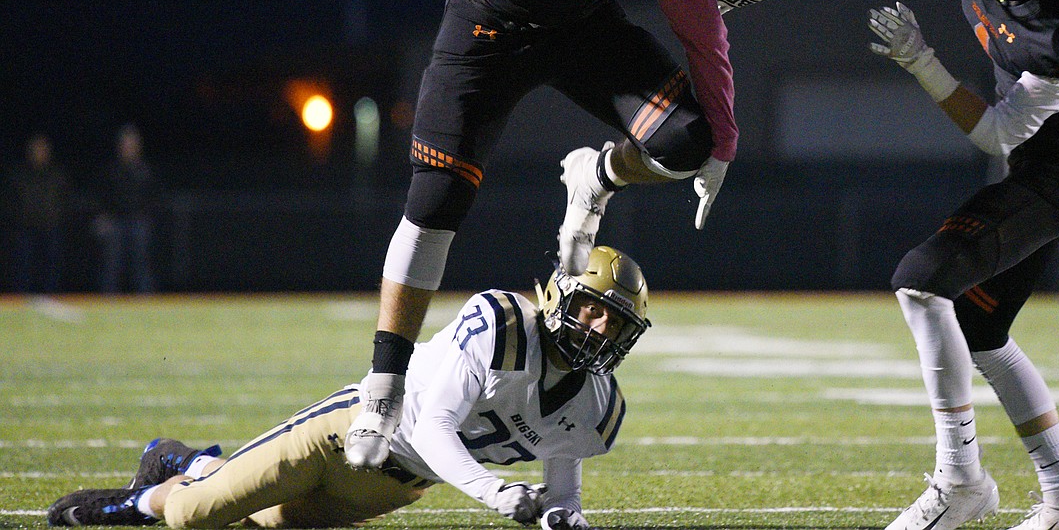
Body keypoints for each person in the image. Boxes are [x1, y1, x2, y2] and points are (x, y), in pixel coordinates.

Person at [714, 0, 1059, 530]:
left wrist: (922, 62)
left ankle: (960, 478)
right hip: (1035, 167)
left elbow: (998, 133)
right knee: (980, 327)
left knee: (921, 280)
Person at [347, 0, 735, 468]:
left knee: (686, 143)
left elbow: (697, 21)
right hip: (486, 26)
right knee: (436, 202)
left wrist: (726, 137)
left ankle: (598, 174)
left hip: (583, 33)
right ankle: (383, 387)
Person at [46, 245, 651, 529]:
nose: (600, 329)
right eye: (595, 310)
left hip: (397, 487)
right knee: (192, 516)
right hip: (347, 436)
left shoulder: (595, 408)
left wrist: (563, 519)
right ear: (561, 299)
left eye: (615, 322)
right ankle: (145, 491)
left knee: (261, 525)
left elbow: (562, 488)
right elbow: (437, 429)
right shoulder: (502, 325)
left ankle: (197, 460)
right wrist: (497, 495)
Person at [92, 124, 162, 294]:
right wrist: (102, 217)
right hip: (115, 221)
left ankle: (144, 301)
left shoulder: (145, 170)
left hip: (139, 221)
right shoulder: (112, 169)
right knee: (111, 266)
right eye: (125, 144)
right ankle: (108, 300)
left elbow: (155, 196)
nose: (128, 148)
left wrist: (149, 217)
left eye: (132, 144)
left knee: (141, 265)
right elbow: (102, 195)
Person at [5, 133, 73, 294]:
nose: (40, 153)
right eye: (36, 149)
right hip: (27, 226)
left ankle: (51, 295)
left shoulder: (57, 175)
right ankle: (22, 296)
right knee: (24, 265)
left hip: (51, 226)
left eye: (43, 149)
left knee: (52, 265)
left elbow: (65, 200)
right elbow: (12, 201)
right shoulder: (20, 175)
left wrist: (56, 216)